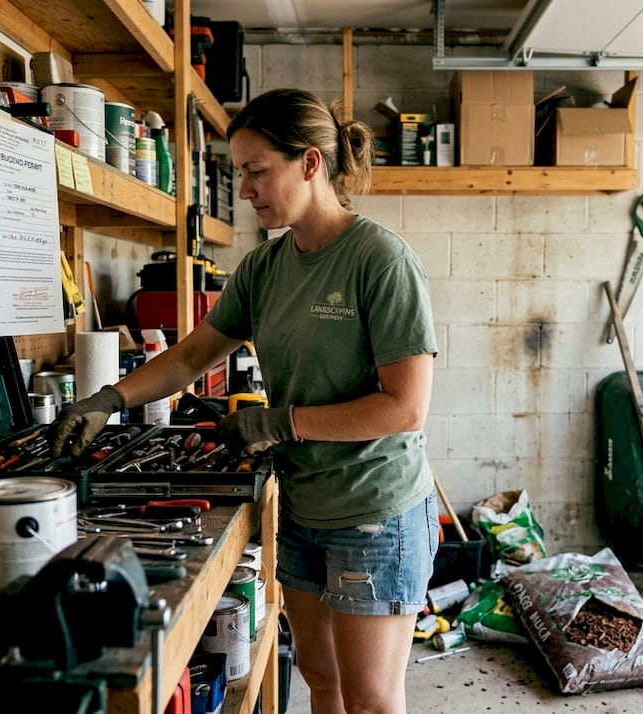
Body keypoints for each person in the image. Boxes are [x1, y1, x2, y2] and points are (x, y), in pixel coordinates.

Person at [50, 88, 439, 714]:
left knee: (370, 698)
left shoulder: (380, 261)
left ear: (310, 164)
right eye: (240, 173)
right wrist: (107, 397)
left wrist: (283, 422)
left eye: (259, 171)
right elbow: (188, 357)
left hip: (374, 511)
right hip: (306, 505)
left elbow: (405, 408)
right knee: (321, 677)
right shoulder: (264, 268)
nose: (247, 189)